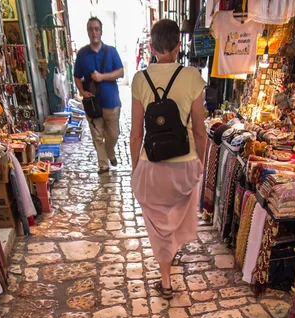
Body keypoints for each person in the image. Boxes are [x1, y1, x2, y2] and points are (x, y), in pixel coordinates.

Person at [130, 19, 207, 299]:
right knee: (175, 215)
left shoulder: (140, 79)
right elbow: (200, 131)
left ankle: (165, 280)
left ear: (151, 47)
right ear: (178, 46)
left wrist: (135, 168)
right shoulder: (192, 77)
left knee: (157, 223)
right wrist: (200, 162)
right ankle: (172, 253)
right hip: (184, 164)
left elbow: (136, 134)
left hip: (152, 165)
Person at [74, 17, 124, 174]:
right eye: (91, 29)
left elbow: (121, 72)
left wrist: (102, 77)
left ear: (101, 31)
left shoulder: (111, 51)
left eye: (96, 29)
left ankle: (110, 152)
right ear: (88, 32)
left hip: (111, 101)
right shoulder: (82, 54)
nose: (94, 32)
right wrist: (82, 92)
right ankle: (103, 165)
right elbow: (76, 76)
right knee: (97, 137)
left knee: (113, 134)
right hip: (92, 103)